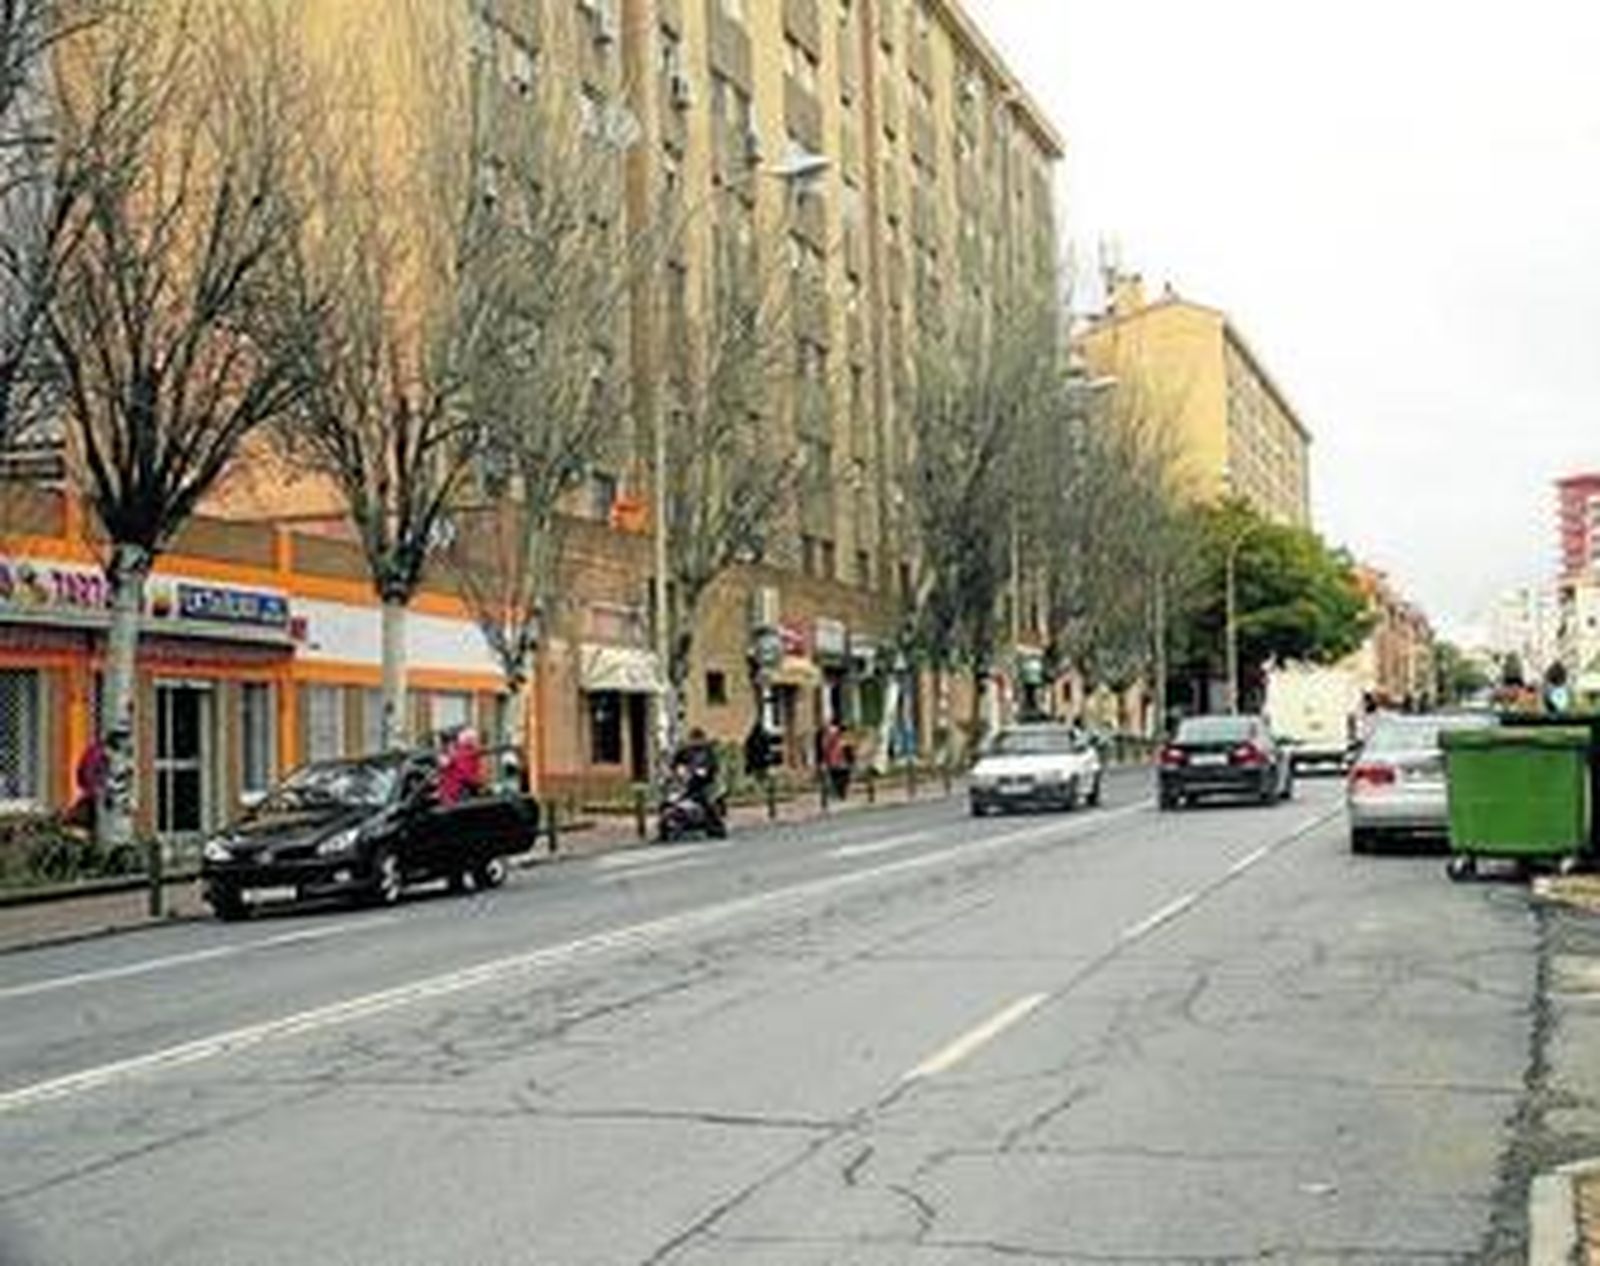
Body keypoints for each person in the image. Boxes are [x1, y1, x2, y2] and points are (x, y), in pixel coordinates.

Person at [63, 737, 108, 832]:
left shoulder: (96, 751)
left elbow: (83, 775)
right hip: (96, 802)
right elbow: (85, 774)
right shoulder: (97, 752)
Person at [438, 728, 485, 805]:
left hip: (453, 792)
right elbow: (465, 775)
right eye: (475, 739)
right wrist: (477, 781)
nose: (477, 742)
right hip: (456, 793)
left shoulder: (467, 752)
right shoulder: (466, 752)